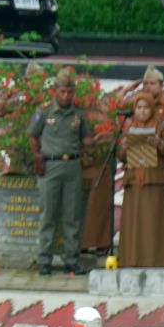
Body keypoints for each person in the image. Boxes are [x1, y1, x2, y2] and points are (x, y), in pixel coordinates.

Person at [28, 68, 94, 276]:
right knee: (48, 214)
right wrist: (36, 155)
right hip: (50, 166)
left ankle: (71, 260)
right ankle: (44, 260)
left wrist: (94, 142)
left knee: (72, 215)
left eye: (69, 92)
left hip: (72, 166)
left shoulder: (79, 114)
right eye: (62, 92)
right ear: (55, 92)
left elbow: (85, 139)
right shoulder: (45, 111)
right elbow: (32, 134)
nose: (66, 96)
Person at [116, 93, 164, 268]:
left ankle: (157, 261)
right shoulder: (128, 129)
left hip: (154, 183)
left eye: (146, 107)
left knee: (154, 224)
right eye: (139, 108)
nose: (142, 112)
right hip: (134, 183)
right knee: (134, 225)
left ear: (152, 109)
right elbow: (122, 158)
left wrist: (159, 144)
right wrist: (123, 148)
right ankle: (132, 260)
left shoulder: (162, 128)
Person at [121, 66, 164, 181]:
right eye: (145, 84)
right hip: (139, 164)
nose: (148, 87)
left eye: (152, 83)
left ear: (162, 86)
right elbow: (114, 106)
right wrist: (127, 90)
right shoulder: (137, 106)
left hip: (161, 166)